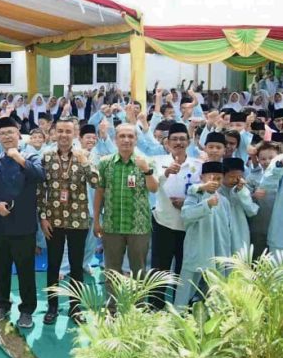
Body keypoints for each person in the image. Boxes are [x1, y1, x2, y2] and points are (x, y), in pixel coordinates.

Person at [0, 117, 44, 327]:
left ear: (19, 135)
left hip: (24, 225)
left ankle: (27, 310)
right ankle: (2, 305)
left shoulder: (31, 156)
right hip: (1, 225)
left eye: (10, 132)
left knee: (26, 271)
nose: (7, 136)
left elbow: (39, 175)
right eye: (2, 133)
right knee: (1, 269)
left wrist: (19, 158)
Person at [38, 118, 98, 324]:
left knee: (76, 265)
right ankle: (52, 306)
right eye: (60, 131)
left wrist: (85, 162)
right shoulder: (46, 157)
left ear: (75, 134)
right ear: (54, 133)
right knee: (53, 264)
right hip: (53, 219)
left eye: (68, 131)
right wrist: (43, 217)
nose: (64, 135)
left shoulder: (84, 155)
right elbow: (40, 189)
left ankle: (75, 307)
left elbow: (96, 181)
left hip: (77, 219)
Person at [93, 124, 158, 304]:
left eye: (130, 136)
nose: (126, 140)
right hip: (112, 225)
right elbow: (100, 192)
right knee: (112, 270)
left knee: (139, 271)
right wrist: (96, 220)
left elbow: (154, 188)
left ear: (136, 140)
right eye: (122, 136)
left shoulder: (146, 162)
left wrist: (146, 170)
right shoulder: (105, 163)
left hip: (139, 226)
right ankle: (112, 307)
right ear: (116, 139)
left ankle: (138, 308)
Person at [149, 122, 202, 309]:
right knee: (159, 268)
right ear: (167, 142)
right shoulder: (156, 161)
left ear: (188, 141)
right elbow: (152, 186)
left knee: (183, 268)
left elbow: (202, 192)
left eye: (182, 139)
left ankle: (180, 308)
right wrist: (166, 172)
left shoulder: (198, 165)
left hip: (188, 225)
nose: (178, 142)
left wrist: (186, 201)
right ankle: (155, 306)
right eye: (174, 139)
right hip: (163, 222)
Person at [176, 162, 230, 307]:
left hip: (218, 250)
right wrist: (207, 204)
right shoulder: (195, 196)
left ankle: (218, 316)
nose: (215, 182)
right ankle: (177, 315)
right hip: (197, 247)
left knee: (218, 288)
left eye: (218, 178)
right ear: (201, 178)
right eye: (211, 178)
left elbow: (227, 228)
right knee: (186, 286)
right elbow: (186, 215)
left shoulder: (224, 201)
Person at [220, 157, 257, 257]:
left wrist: (241, 192)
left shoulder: (243, 189)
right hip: (221, 230)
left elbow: (251, 211)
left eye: (239, 177)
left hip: (239, 231)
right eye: (231, 176)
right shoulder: (217, 190)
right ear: (222, 175)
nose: (235, 180)